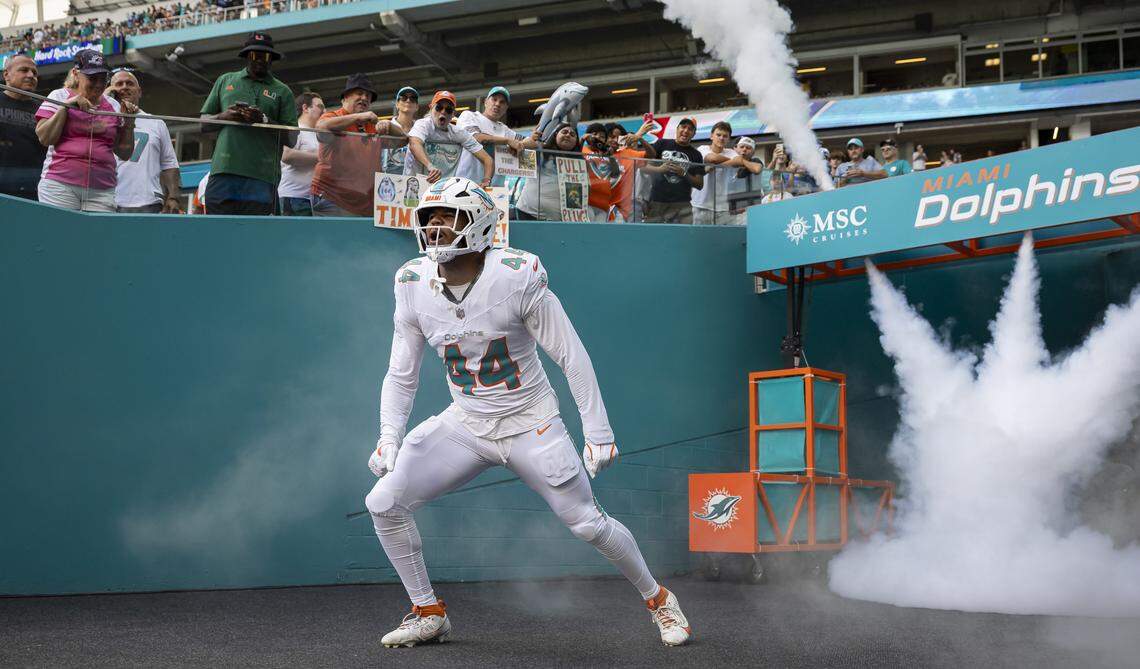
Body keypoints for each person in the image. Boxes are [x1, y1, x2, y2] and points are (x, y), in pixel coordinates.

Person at [365, 175, 692, 648]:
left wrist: (597, 430)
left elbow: (570, 355)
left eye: (448, 217)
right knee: (383, 503)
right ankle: (427, 611)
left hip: (529, 420)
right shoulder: (411, 283)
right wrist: (389, 434)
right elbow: (401, 373)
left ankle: (659, 599)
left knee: (587, 523)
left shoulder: (515, 274)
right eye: (429, 218)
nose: (435, 228)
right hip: (468, 420)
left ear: (478, 224)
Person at [199, 31, 298, 215]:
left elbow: (292, 138)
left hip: (262, 175)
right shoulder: (225, 80)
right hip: (224, 171)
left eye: (265, 55)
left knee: (256, 236)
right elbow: (204, 124)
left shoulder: (282, 91)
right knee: (216, 230)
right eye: (254, 55)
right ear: (247, 56)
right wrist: (224, 117)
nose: (260, 59)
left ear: (271, 59)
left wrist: (264, 120)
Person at [34, 49, 136, 212]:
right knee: (59, 236)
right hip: (59, 185)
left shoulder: (113, 106)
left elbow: (124, 153)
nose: (98, 84)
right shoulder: (59, 96)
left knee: (96, 237)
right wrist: (66, 107)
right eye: (92, 78)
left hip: (102, 189)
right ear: (76, 73)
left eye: (103, 78)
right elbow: (45, 138)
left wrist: (130, 123)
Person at [311, 74, 404, 217]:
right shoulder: (333, 117)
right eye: (359, 93)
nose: (365, 98)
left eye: (368, 95)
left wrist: (389, 125)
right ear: (345, 97)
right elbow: (321, 127)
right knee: (335, 239)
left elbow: (404, 140)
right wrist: (358, 117)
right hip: (333, 198)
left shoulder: (372, 126)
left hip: (364, 204)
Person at [107, 69, 182, 213]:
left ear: (139, 91)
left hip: (149, 201)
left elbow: (169, 163)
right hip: (109, 201)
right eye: (119, 84)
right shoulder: (103, 119)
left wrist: (173, 197)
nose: (124, 87)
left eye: (129, 83)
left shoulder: (156, 123)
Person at [404, 90, 493, 187]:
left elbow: (487, 159)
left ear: (453, 114)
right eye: (439, 107)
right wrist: (430, 166)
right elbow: (414, 143)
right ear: (431, 108)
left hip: (442, 190)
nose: (443, 112)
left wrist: (486, 180)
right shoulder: (423, 124)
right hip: (414, 185)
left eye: (448, 110)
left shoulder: (458, 133)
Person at [455, 86, 538, 186]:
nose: (498, 104)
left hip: (495, 191)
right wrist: (507, 141)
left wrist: (527, 141)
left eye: (502, 102)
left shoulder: (505, 129)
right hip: (465, 184)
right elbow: (476, 138)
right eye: (494, 99)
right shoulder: (469, 116)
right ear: (486, 102)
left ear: (506, 108)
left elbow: (532, 143)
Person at [582, 120, 655, 222]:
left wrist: (640, 138)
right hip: (594, 204)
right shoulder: (593, 152)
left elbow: (651, 154)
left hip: (621, 210)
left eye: (618, 137)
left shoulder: (628, 153)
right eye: (611, 137)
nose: (615, 140)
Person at [0, 55, 47, 200]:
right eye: (24, 70)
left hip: (34, 181)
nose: (31, 75)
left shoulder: (45, 108)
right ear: (6, 75)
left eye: (34, 73)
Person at [642, 117, 703, 224]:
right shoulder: (661, 144)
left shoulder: (696, 155)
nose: (685, 131)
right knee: (652, 236)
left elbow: (699, 184)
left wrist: (684, 173)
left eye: (690, 129)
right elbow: (643, 167)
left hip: (682, 204)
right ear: (677, 129)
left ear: (693, 134)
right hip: (657, 201)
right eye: (683, 127)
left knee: (684, 237)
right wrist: (660, 169)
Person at [516, 122, 578, 221]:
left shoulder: (580, 163)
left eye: (572, 134)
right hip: (529, 212)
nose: (568, 135)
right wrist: (529, 141)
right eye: (564, 132)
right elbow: (522, 160)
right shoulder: (540, 150)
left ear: (576, 141)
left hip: (558, 219)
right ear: (555, 134)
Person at [278, 92, 323, 216]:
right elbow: (286, 155)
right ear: (305, 108)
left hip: (311, 199)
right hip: (293, 197)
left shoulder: (316, 135)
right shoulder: (295, 128)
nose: (324, 111)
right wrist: (322, 158)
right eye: (320, 106)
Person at [690, 121, 736, 226]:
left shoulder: (732, 152)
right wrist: (732, 162)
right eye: (718, 135)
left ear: (728, 139)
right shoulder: (702, 149)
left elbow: (739, 162)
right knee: (699, 239)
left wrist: (730, 162)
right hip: (700, 204)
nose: (721, 138)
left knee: (721, 239)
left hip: (722, 207)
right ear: (711, 136)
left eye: (725, 136)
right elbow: (712, 158)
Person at [381, 86, 419, 175]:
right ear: (397, 104)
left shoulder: (421, 130)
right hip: (389, 179)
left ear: (417, 106)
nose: (408, 101)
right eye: (404, 98)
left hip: (414, 180)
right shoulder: (385, 127)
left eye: (412, 99)